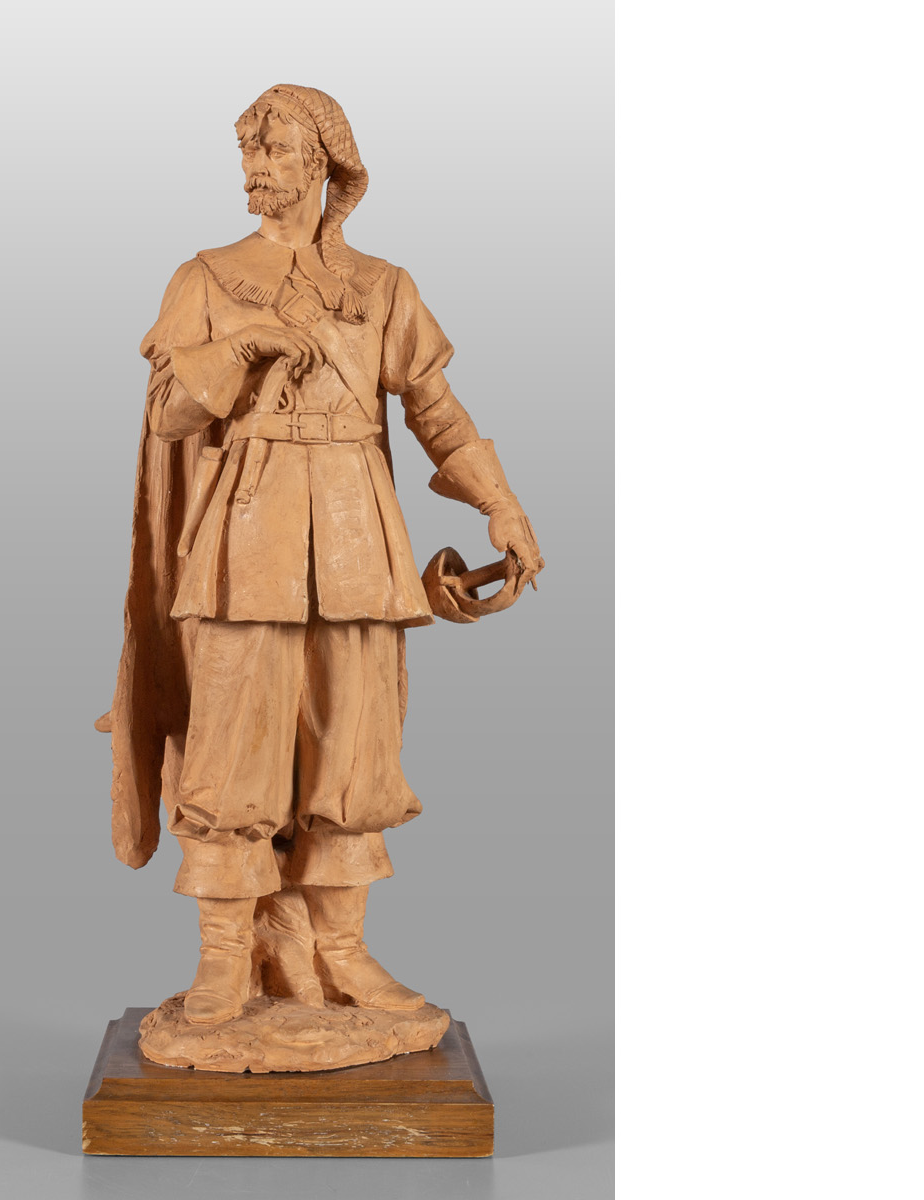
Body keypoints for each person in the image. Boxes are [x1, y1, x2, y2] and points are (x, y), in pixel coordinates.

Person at [103, 84, 544, 1025]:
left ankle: (341, 950)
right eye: (248, 151)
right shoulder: (207, 278)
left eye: (274, 150)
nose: (255, 168)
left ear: (325, 165)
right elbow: (168, 415)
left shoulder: (381, 286)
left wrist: (501, 504)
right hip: (244, 538)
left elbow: (433, 409)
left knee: (355, 747)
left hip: (356, 535)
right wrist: (242, 348)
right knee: (231, 746)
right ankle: (227, 955)